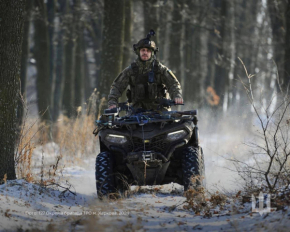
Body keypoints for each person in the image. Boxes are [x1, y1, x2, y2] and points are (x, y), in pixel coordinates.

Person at [108, 30, 183, 110]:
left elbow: (173, 84)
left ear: (152, 53)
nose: (145, 53)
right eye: (143, 50)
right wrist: (112, 102)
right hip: (136, 111)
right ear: (138, 52)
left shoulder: (160, 69)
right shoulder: (131, 70)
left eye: (148, 51)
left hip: (160, 111)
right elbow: (117, 86)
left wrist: (177, 96)